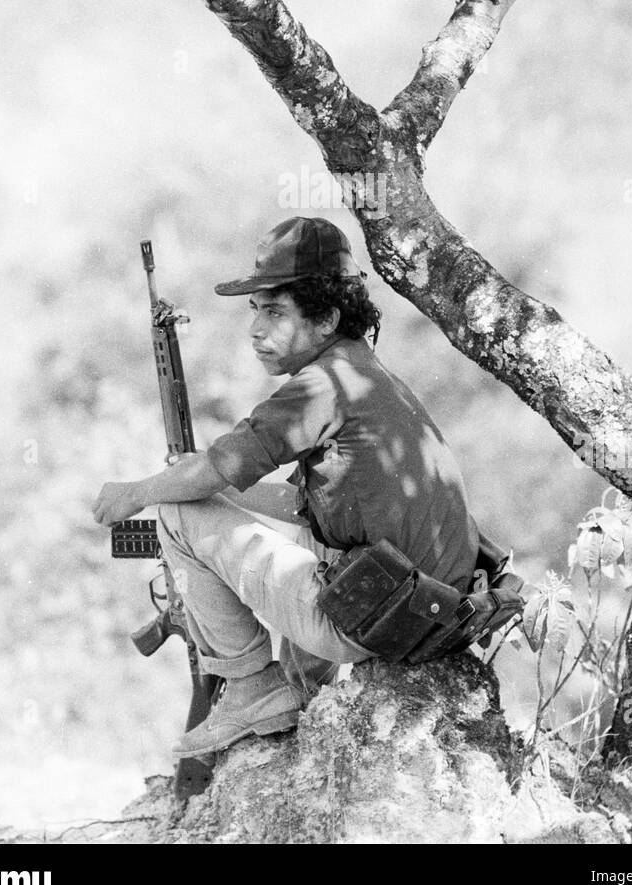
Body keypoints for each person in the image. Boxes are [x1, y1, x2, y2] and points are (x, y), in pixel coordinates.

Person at [93, 216, 505, 761]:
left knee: (174, 512)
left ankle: (252, 688)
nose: (257, 330)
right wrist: (216, 486)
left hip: (377, 622)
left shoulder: (320, 388)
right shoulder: (362, 374)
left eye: (276, 312)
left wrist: (141, 490)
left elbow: (218, 469)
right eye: (256, 310)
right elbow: (301, 504)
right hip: (425, 615)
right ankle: (301, 691)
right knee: (293, 523)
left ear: (327, 317)